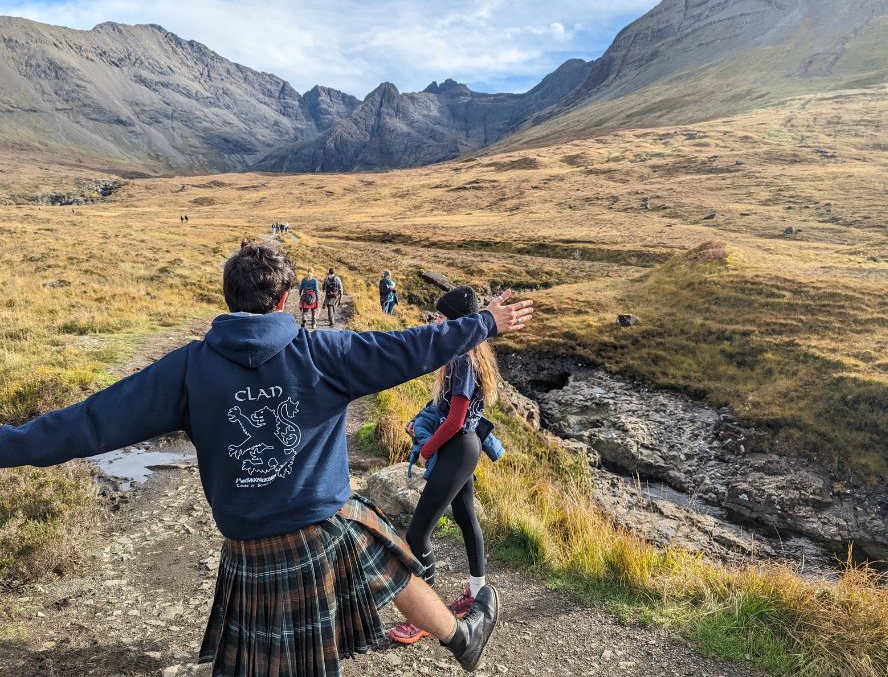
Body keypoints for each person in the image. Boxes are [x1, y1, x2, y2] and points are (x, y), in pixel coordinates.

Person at [0, 240, 534, 676]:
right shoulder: (322, 351)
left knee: (382, 553)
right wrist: (484, 323)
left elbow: (91, 421)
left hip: (250, 543)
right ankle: (460, 635)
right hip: (321, 522)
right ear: (285, 299)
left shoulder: (188, 369)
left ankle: (462, 636)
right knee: (382, 562)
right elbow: (412, 347)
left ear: (229, 299)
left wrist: (11, 443)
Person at [390, 286, 500, 646]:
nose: (435, 321)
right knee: (466, 517)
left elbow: (453, 421)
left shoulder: (460, 359)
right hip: (464, 448)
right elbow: (451, 414)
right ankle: (476, 594)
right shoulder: (470, 355)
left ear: (454, 321)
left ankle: (426, 617)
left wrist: (426, 450)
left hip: (456, 448)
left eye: (440, 316)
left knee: (418, 533)